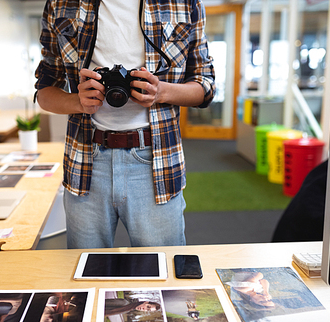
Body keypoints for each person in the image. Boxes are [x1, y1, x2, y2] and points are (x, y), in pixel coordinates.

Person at [34, 0, 215, 249]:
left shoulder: (184, 2)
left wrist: (160, 91)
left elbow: (206, 86)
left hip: (156, 161)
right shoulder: (60, 3)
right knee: (85, 275)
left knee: (163, 275)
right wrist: (78, 101)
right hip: (85, 161)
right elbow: (44, 92)